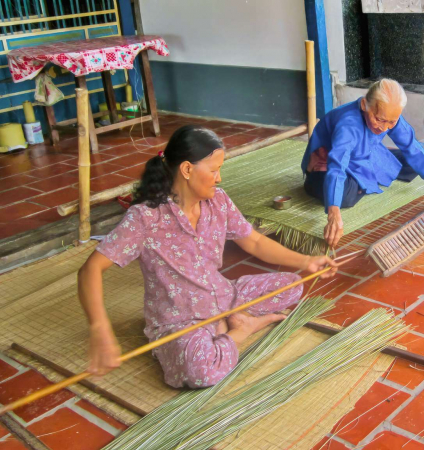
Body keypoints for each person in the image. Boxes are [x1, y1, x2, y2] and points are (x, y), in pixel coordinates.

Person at [78, 125, 338, 389]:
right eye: (213, 170)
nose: (219, 178)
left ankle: (224, 326)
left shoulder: (218, 202)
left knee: (292, 286)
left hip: (224, 297)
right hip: (180, 320)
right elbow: (91, 269)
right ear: (187, 170)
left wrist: (307, 262)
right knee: (200, 370)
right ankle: (240, 330)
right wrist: (99, 329)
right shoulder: (146, 218)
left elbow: (255, 241)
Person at [301, 78, 424, 248]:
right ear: (365, 104)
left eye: (391, 122)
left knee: (411, 162)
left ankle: (362, 181)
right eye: (379, 119)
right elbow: (336, 167)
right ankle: (357, 184)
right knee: (344, 197)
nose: (384, 128)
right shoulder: (348, 124)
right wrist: (333, 213)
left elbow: (411, 145)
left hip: (363, 157)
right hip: (327, 167)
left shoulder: (388, 116)